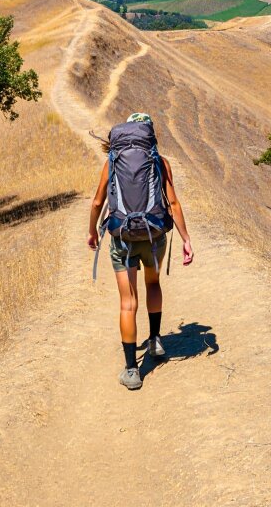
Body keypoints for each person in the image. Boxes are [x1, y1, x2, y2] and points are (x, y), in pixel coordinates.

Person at [87, 113, 194, 390]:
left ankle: (132, 370)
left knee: (128, 302)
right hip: (155, 235)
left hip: (122, 237)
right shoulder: (159, 162)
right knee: (153, 283)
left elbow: (98, 201)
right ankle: (156, 340)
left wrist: (91, 231)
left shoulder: (112, 163)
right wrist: (186, 239)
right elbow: (173, 203)